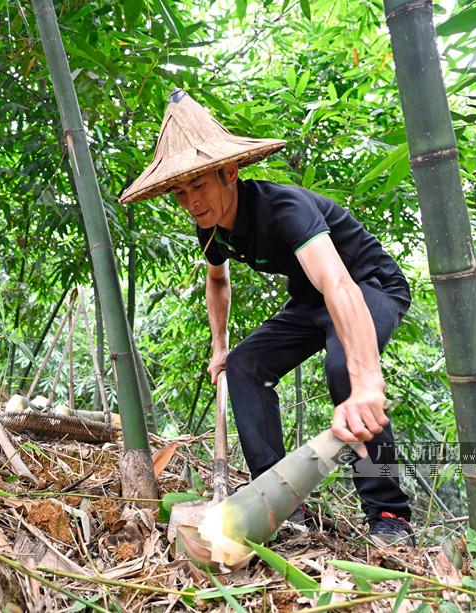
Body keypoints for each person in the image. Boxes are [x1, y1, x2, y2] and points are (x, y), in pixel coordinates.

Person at [120, 90, 414, 546]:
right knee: (245, 365)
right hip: (311, 302)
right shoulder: (210, 227)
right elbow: (217, 282)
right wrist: (220, 348)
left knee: (345, 370)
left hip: (368, 286)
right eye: (180, 192)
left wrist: (368, 380)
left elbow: (339, 284)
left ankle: (390, 514)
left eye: (199, 186)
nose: (191, 202)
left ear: (230, 172)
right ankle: (280, 503)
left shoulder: (283, 209)